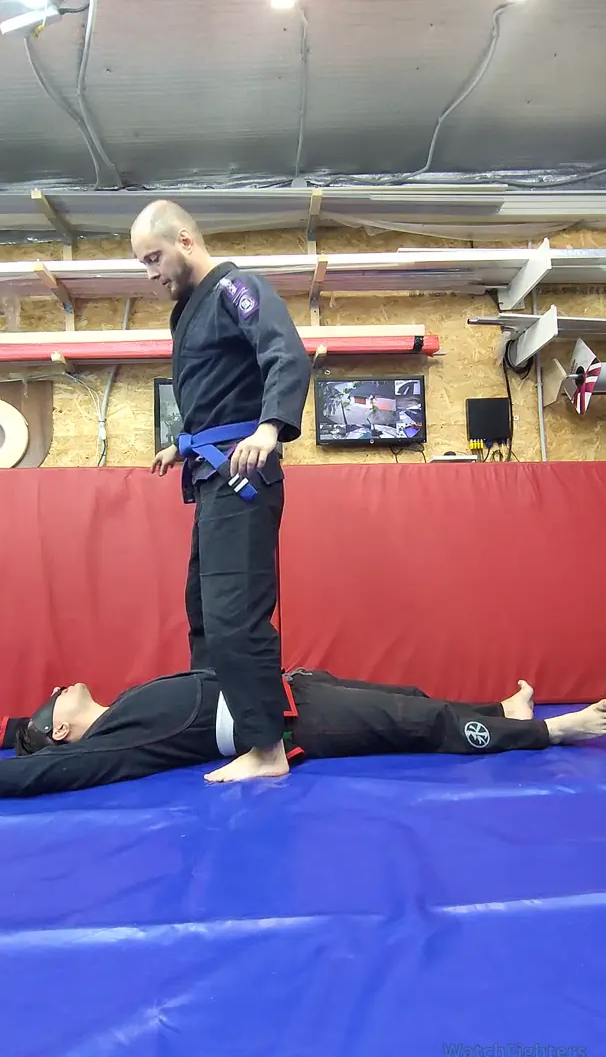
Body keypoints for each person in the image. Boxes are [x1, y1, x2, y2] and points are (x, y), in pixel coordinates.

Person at [130, 200, 311, 785]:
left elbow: (285, 354)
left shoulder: (236, 288)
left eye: (154, 258)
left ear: (185, 240)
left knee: (235, 614)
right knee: (205, 613)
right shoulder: (188, 311)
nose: (150, 273)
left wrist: (269, 427)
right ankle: (219, 726)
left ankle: (267, 748)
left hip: (242, 473)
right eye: (143, 263)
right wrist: (181, 444)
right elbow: (219, 391)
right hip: (210, 473)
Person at [1, 669, 606, 799]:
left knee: (412, 698)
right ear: (60, 728)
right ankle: (554, 731)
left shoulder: (123, 705)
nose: (60, 686)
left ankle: (504, 709)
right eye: (53, 699)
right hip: (297, 722)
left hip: (293, 688)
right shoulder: (117, 739)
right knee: (424, 725)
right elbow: (38, 770)